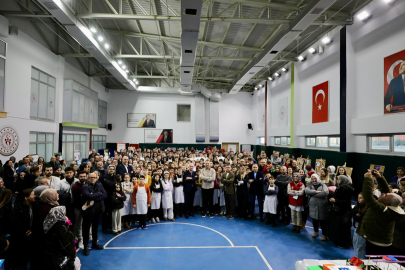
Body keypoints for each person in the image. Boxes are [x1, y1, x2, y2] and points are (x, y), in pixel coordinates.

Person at [356, 170, 404, 255]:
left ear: (386, 202)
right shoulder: (393, 208)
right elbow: (387, 192)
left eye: (385, 195)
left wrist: (368, 179)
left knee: (365, 261)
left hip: (374, 242)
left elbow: (368, 196)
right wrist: (379, 177)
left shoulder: (382, 209)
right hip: (383, 242)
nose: (383, 194)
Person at [9, 189, 38, 269]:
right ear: (26, 198)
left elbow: (36, 220)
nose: (34, 196)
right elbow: (15, 223)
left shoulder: (35, 205)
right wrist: (24, 232)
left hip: (32, 235)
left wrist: (32, 231)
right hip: (20, 237)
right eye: (32, 194)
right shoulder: (17, 208)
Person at [81, 172, 107, 256]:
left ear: (97, 178)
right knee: (86, 229)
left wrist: (94, 195)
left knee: (95, 228)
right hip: (88, 211)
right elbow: (89, 196)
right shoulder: (85, 187)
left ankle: (94, 243)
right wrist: (99, 194)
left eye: (94, 177)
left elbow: (105, 195)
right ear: (88, 178)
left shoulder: (100, 185)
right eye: (91, 177)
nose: (93, 179)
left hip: (98, 210)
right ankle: (85, 246)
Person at [327, 175, 354, 248]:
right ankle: (336, 240)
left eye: (339, 179)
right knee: (336, 226)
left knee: (342, 228)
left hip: (343, 212)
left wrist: (335, 200)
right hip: (336, 210)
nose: (338, 181)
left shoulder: (347, 189)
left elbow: (346, 201)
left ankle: (343, 243)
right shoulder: (339, 187)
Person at [305, 174, 329, 241]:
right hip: (312, 205)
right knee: (314, 220)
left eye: (315, 178)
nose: (314, 180)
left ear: (317, 178)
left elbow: (325, 193)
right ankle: (316, 232)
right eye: (312, 179)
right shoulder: (310, 184)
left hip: (322, 206)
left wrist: (312, 195)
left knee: (322, 221)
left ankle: (324, 235)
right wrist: (315, 192)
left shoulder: (323, 184)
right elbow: (306, 191)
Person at [71, 171, 87, 249]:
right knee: (79, 225)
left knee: (88, 224)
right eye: (81, 176)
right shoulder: (75, 187)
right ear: (78, 178)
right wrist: (87, 195)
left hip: (87, 208)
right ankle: (80, 240)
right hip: (78, 208)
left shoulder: (88, 184)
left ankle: (88, 237)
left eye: (84, 176)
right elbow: (78, 198)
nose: (83, 178)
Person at [351, 192, 368, 259]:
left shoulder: (367, 207)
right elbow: (352, 212)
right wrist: (356, 215)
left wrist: (357, 216)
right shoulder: (358, 205)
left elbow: (362, 218)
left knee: (360, 245)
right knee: (355, 243)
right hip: (357, 226)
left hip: (362, 229)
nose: (359, 199)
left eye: (361, 198)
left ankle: (361, 261)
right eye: (358, 197)